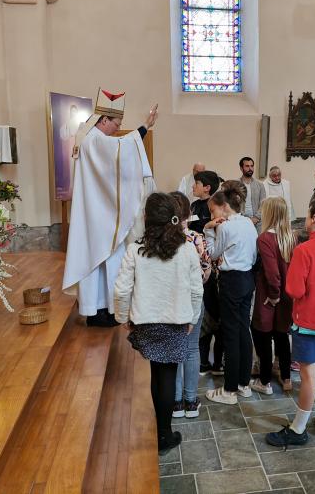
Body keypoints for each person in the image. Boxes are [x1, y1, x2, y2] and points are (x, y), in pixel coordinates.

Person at [114, 192, 203, 456]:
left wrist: (123, 317)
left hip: (148, 322)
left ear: (146, 219)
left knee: (157, 374)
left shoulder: (135, 250)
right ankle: (164, 434)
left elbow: (121, 291)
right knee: (166, 375)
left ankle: (161, 431)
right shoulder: (186, 248)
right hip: (176, 321)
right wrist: (192, 318)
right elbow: (197, 291)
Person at [62, 89, 157, 327]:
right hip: (98, 214)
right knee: (102, 259)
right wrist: (144, 127)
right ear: (104, 119)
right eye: (117, 123)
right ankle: (97, 313)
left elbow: (116, 157)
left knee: (100, 260)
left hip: (97, 211)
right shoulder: (94, 139)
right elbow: (121, 151)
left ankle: (99, 310)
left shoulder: (90, 138)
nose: (118, 128)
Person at [266, 198, 315, 447]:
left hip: (309, 322)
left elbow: (294, 290)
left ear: (314, 220)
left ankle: (298, 429)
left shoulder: (304, 250)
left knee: (309, 376)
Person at [204, 181, 258, 405]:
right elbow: (254, 256)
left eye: (212, 210)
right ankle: (244, 384)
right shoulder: (248, 223)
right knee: (243, 329)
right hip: (247, 279)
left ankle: (229, 390)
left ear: (224, 206)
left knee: (230, 333)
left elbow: (213, 253)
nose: (212, 215)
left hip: (231, 280)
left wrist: (208, 230)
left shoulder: (224, 227)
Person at [170, 192, 211, 420]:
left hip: (171, 300)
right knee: (192, 349)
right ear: (188, 213)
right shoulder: (196, 238)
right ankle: (190, 401)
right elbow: (205, 273)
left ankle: (175, 403)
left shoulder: (162, 240)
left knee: (175, 348)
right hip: (193, 298)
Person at [250, 197, 296, 395]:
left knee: (263, 335)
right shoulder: (291, 236)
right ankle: (286, 378)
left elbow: (272, 272)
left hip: (271, 294)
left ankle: (265, 381)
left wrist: (274, 295)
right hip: (287, 294)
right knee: (282, 335)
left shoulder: (264, 239)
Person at [238, 157, 265, 231]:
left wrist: (256, 218)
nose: (250, 168)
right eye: (247, 166)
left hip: (257, 222)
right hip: (241, 221)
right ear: (241, 168)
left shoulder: (260, 184)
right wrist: (243, 218)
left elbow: (263, 203)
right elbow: (233, 204)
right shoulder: (236, 184)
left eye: (252, 166)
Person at [189, 170, 220, 235]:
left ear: (207, 188)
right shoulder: (194, 205)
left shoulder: (214, 206)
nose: (193, 186)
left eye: (197, 183)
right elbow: (191, 221)